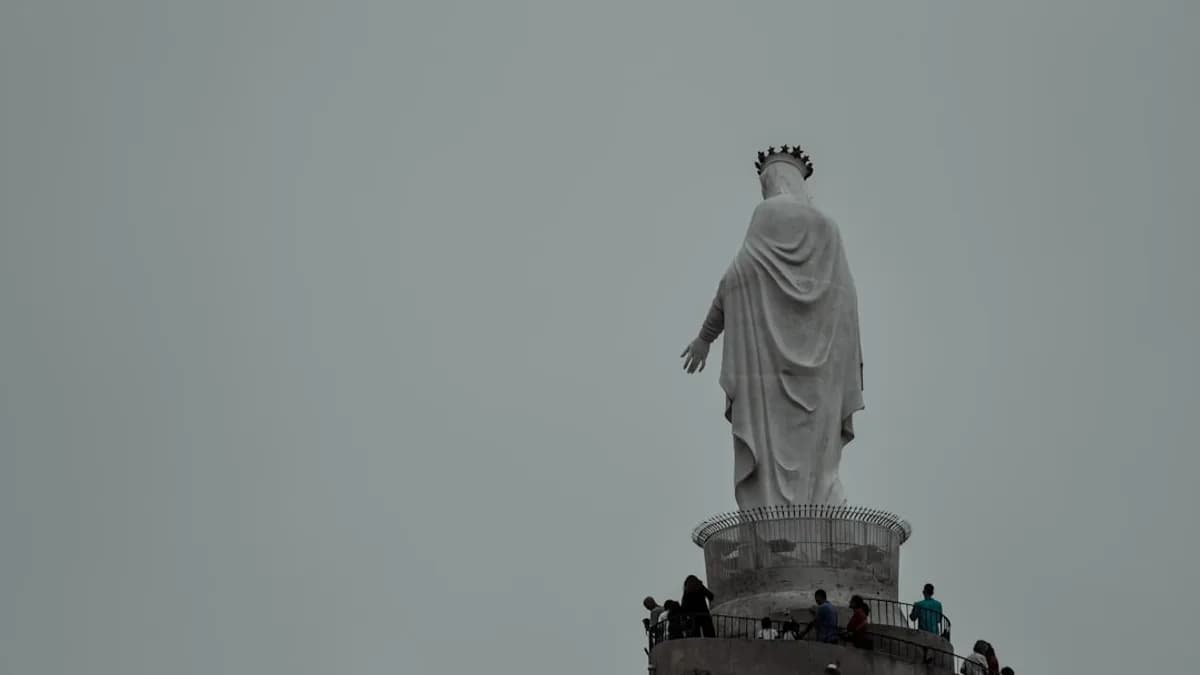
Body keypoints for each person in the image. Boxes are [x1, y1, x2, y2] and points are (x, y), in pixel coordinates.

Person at [680, 145, 865, 509]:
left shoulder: (767, 213)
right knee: (819, 454)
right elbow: (846, 299)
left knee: (772, 447)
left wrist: (705, 337)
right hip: (824, 365)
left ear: (770, 180)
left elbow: (736, 278)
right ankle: (819, 505)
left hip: (768, 372)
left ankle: (776, 514)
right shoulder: (828, 228)